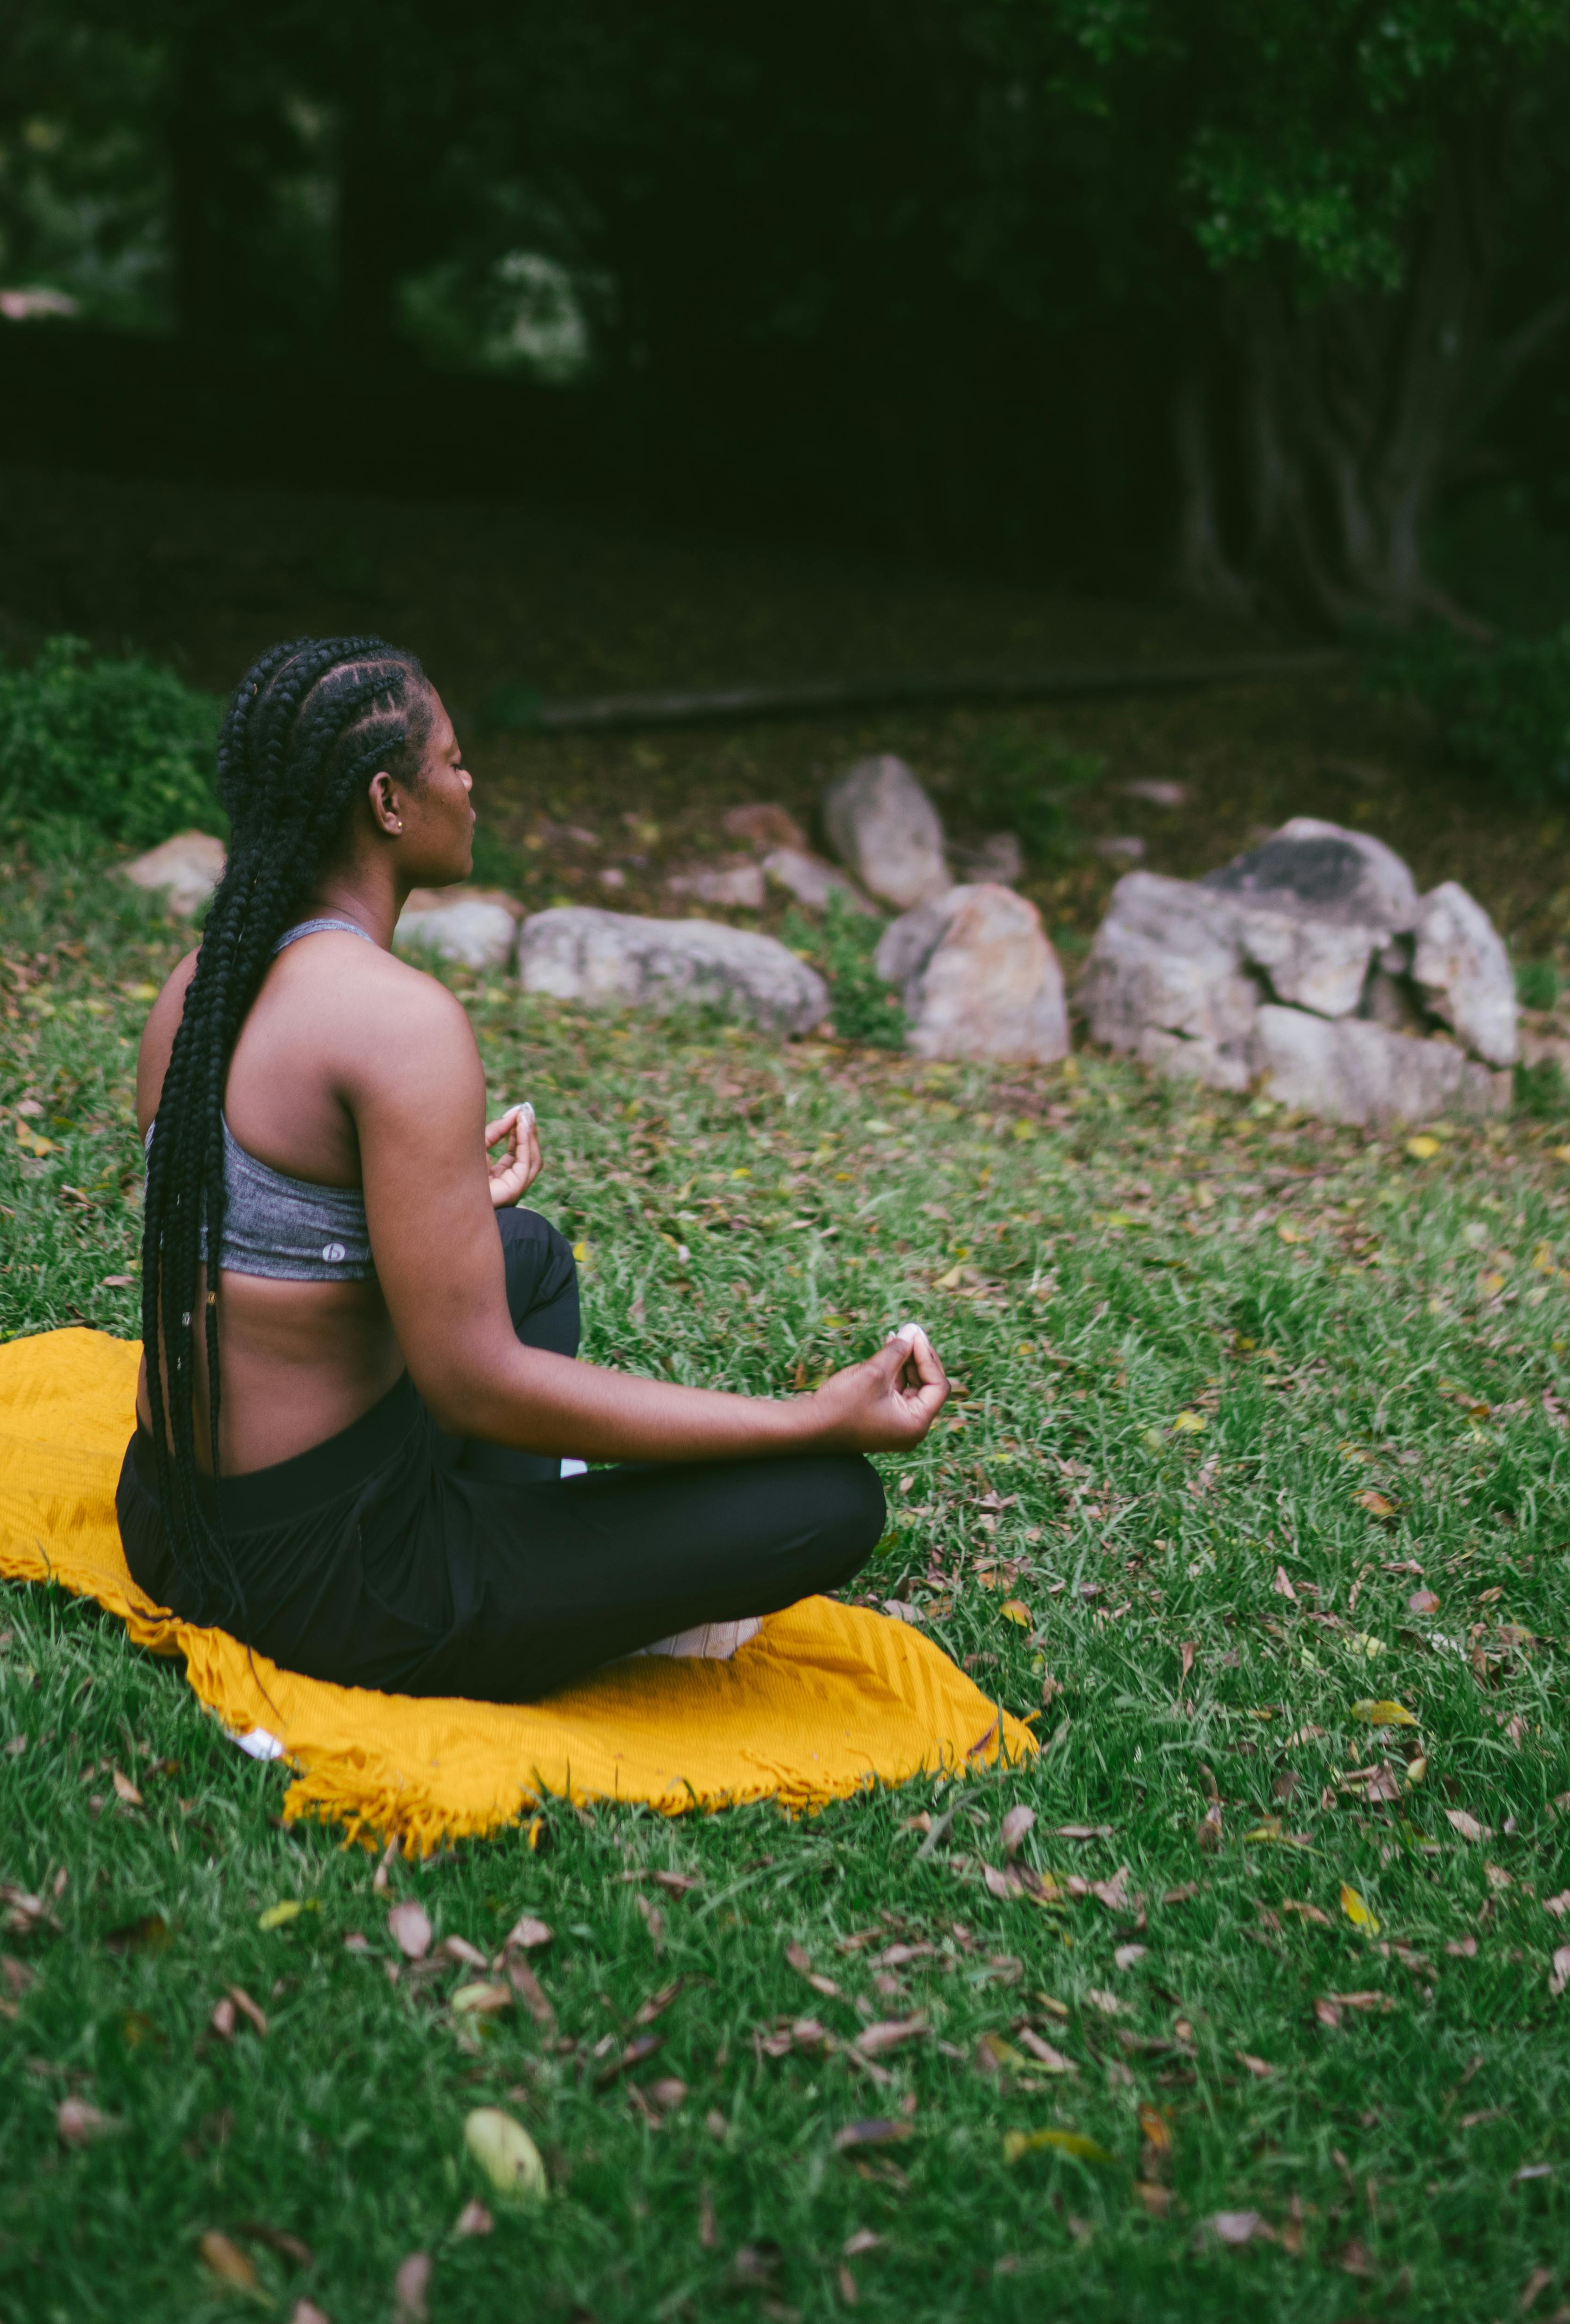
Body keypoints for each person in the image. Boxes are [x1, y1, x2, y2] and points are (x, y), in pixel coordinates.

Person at [116, 634, 948, 1702]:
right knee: (831, 1503)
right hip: (325, 1582)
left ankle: (524, 1556)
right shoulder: (397, 1021)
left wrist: (432, 1199)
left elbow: (239, 1229)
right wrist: (813, 1418)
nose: (471, 785)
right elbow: (475, 1390)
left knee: (527, 1254)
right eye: (453, 763)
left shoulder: (203, 978)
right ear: (387, 802)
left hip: (171, 1514)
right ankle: (515, 1598)